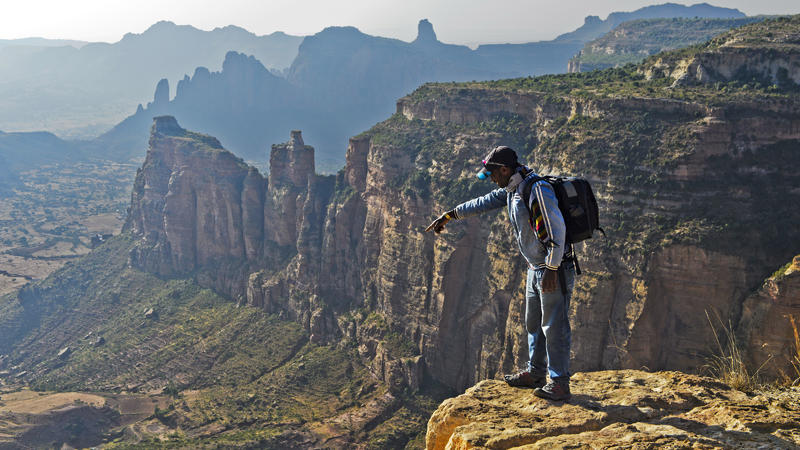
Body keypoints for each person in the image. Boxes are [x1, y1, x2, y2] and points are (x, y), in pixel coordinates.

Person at [425, 146, 576, 401]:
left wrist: (551, 268)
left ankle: (560, 382)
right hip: (535, 269)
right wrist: (450, 215)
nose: (492, 179)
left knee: (554, 327)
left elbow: (557, 232)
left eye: (493, 174)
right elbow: (482, 203)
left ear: (505, 169)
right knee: (534, 324)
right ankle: (536, 373)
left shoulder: (536, 189)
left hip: (552, 270)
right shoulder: (512, 189)